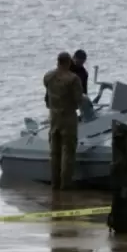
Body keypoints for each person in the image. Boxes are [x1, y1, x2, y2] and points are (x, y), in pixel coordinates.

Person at [43, 51, 84, 189]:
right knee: (68, 151)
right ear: (68, 62)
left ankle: (54, 183)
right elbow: (79, 100)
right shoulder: (73, 79)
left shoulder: (48, 77)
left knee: (54, 152)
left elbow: (47, 96)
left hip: (53, 116)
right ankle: (65, 184)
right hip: (68, 117)